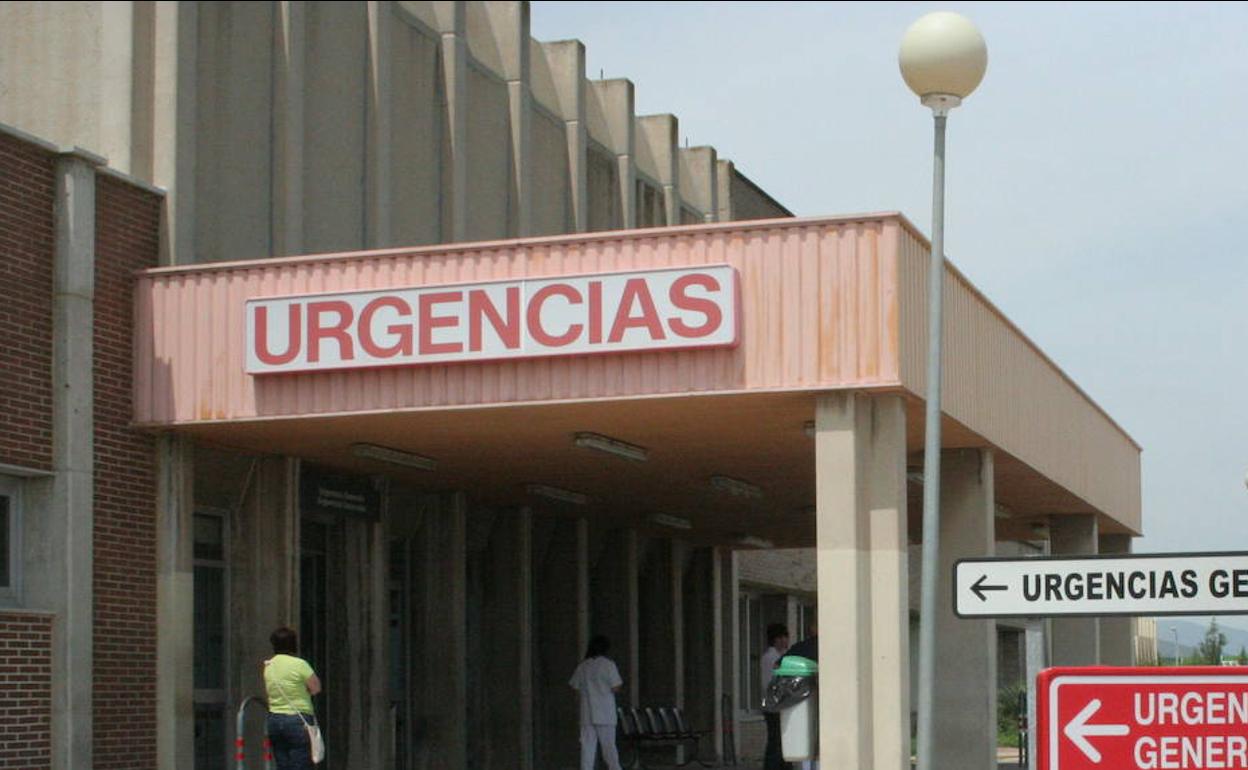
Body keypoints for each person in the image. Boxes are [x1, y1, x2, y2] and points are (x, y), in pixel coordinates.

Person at [263, 626, 323, 770]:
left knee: (283, 764)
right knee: (301, 763)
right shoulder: (300, 664)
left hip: (275, 720)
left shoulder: (268, 666)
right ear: (293, 643)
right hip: (298, 720)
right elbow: (316, 688)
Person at [569, 634, 624, 770]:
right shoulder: (608, 665)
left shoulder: (583, 666)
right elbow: (616, 687)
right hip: (605, 713)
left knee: (587, 748)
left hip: (587, 713)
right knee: (609, 748)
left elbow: (574, 687)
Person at [760, 623, 791, 770]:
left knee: (780, 741)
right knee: (776, 741)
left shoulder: (778, 656)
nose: (786, 641)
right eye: (783, 637)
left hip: (777, 705)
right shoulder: (771, 658)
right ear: (776, 639)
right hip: (774, 705)